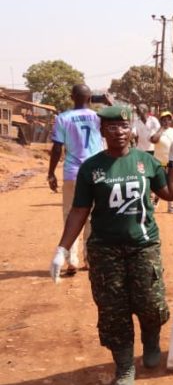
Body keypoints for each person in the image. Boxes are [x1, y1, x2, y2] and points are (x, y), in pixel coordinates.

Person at [49, 105, 173, 385]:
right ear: (102, 131)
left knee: (151, 302)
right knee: (113, 310)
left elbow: (170, 193)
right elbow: (79, 210)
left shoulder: (145, 162)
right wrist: (63, 248)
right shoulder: (91, 168)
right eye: (111, 127)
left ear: (130, 130)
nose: (118, 132)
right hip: (105, 249)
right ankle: (124, 367)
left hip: (143, 245)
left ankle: (150, 341)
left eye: (123, 126)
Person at [47, 84, 103, 276]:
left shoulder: (63, 118)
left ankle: (72, 260)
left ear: (72, 97)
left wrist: (51, 172)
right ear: (90, 98)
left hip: (72, 173)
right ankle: (90, 259)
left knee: (70, 215)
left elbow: (57, 148)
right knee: (93, 216)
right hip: (96, 172)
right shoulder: (98, 117)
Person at [150, 111, 173, 214]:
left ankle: (171, 207)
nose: (166, 121)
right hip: (158, 163)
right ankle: (154, 203)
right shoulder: (156, 131)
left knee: (171, 185)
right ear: (161, 121)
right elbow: (154, 140)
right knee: (159, 185)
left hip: (171, 163)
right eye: (164, 120)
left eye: (168, 119)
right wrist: (161, 129)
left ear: (171, 121)